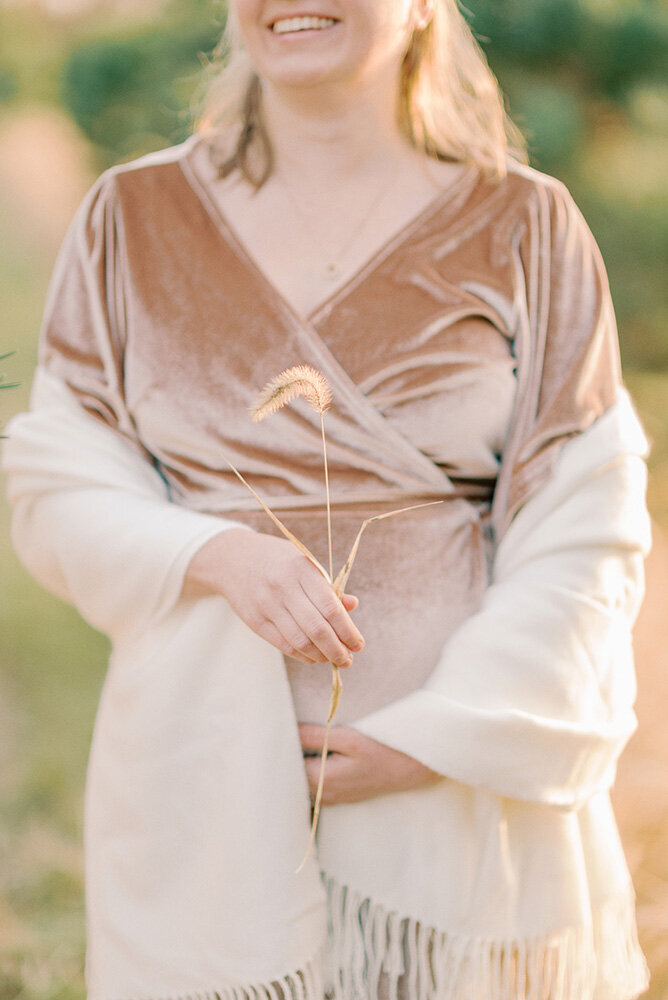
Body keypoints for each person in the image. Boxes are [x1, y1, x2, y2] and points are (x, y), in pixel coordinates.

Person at [1, 1, 653, 998]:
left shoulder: (524, 222)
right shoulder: (130, 216)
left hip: (449, 818)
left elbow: (585, 522)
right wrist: (210, 552)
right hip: (209, 783)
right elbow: (58, 467)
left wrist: (435, 738)